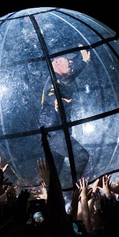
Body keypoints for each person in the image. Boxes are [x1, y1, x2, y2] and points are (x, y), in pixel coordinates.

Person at [39, 45, 92, 182]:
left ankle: (57, 195)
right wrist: (56, 100)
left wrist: (85, 62)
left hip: (56, 132)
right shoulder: (53, 79)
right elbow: (49, 93)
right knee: (81, 156)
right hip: (55, 132)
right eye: (67, 59)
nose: (71, 61)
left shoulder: (63, 78)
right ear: (56, 62)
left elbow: (74, 72)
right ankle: (74, 188)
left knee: (54, 172)